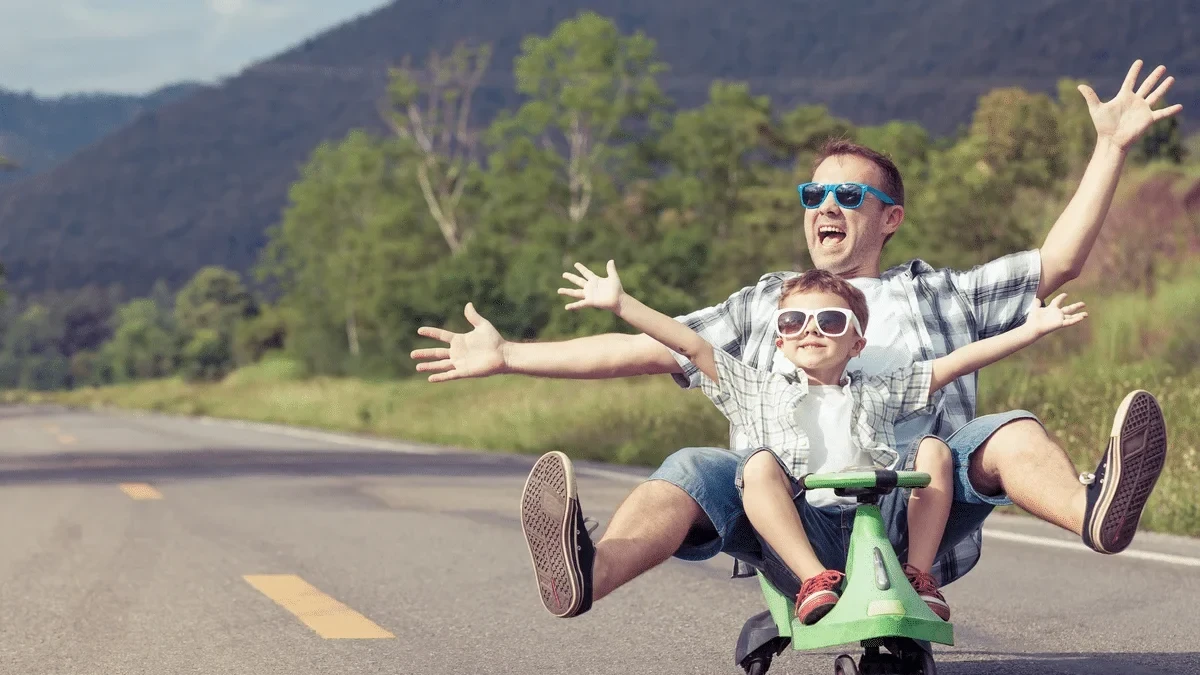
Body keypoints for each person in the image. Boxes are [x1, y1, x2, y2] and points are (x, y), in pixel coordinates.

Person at [413, 60, 1176, 621]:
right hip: (790, 512)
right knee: (692, 466)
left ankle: (1094, 511)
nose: (827, 204)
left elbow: (1059, 261)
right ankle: (585, 569)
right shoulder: (768, 304)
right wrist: (509, 354)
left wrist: (1110, 147)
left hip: (918, 508)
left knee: (1007, 429)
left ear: (889, 218)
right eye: (814, 193)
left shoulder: (939, 292)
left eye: (850, 194)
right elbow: (655, 348)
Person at [555, 259, 1086, 624]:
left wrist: (1030, 330)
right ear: (780, 339)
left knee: (933, 449)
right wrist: (622, 304)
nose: (812, 329)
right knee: (759, 465)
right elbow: (690, 345)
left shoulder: (880, 391)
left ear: (857, 341)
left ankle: (920, 577)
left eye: (830, 320)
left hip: (882, 531)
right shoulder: (754, 388)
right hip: (802, 537)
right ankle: (814, 584)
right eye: (795, 320)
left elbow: (955, 364)